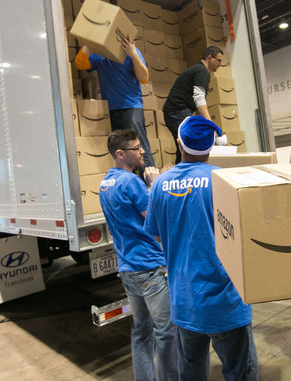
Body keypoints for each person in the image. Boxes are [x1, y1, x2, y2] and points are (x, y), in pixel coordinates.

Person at [144, 116, 258, 381]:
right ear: (210, 148)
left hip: (185, 301)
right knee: (239, 372)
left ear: (178, 142)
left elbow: (158, 236)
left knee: (192, 372)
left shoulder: (160, 185)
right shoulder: (224, 180)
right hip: (226, 301)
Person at [99, 130, 178, 381]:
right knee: (166, 332)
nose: (142, 151)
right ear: (120, 154)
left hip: (128, 267)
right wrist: (155, 185)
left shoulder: (105, 183)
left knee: (141, 331)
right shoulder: (131, 182)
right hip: (149, 266)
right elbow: (154, 217)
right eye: (136, 148)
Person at [75, 35, 155, 172]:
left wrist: (133, 53)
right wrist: (89, 43)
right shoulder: (100, 56)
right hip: (111, 111)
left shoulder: (129, 53)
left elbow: (144, 78)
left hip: (131, 108)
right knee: (121, 153)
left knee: (139, 149)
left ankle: (151, 184)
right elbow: (79, 63)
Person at [162, 46, 224, 164]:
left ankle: (181, 175)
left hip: (176, 111)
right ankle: (184, 177)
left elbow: (197, 103)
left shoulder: (198, 70)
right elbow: (199, 98)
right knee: (189, 147)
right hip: (177, 110)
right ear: (210, 58)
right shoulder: (202, 72)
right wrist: (210, 124)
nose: (220, 64)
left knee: (184, 147)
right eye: (219, 60)